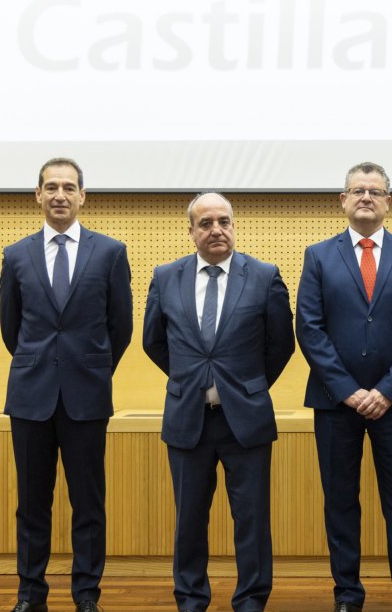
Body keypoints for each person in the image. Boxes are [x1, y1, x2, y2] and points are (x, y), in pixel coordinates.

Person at [143, 192, 295, 612]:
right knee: (189, 520)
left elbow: (280, 344)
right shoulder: (166, 275)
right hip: (188, 417)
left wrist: (246, 386)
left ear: (234, 226)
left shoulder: (264, 276)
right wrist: (190, 379)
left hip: (244, 420)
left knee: (251, 520)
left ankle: (251, 600)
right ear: (190, 231)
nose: (216, 230)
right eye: (206, 223)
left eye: (224, 221)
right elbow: (153, 341)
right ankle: (191, 599)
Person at [296, 162, 392, 612]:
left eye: (375, 191)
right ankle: (347, 594)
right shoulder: (318, 255)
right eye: (357, 190)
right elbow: (309, 329)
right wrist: (350, 390)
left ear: (388, 201)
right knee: (340, 502)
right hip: (336, 403)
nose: (366, 197)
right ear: (343, 200)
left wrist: (388, 390)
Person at [0, 158, 133, 612]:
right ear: (37, 195)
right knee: (31, 504)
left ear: (82, 196)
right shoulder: (16, 255)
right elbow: (10, 329)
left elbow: (121, 328)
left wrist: (90, 368)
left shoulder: (110, 252)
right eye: (51, 187)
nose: (60, 194)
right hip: (30, 396)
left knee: (88, 504)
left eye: (69, 187)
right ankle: (30, 593)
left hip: (87, 397)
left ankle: (86, 595)